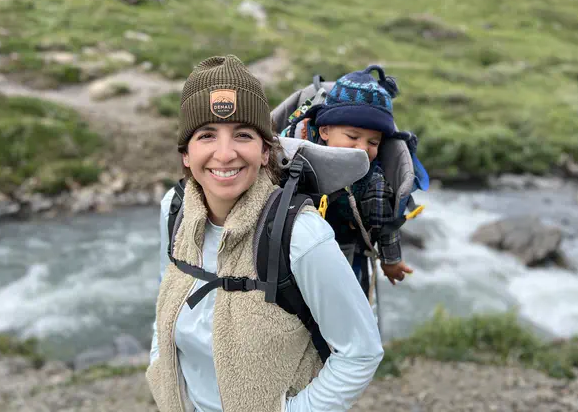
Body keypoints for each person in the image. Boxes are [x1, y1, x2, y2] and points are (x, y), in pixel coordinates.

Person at [147, 55, 384, 412]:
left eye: (243, 134)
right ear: (185, 153)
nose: (224, 154)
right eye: (206, 135)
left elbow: (361, 351)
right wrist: (159, 372)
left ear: (264, 150)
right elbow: (165, 301)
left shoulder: (301, 233)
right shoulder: (175, 211)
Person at [281, 65, 414, 298]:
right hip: (288, 253)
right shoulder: (292, 153)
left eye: (373, 143)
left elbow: (385, 225)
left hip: (345, 254)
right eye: (352, 137)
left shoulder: (373, 181)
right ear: (324, 131)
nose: (362, 148)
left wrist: (391, 260)